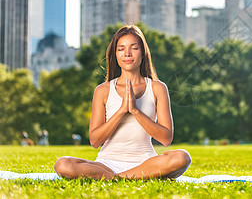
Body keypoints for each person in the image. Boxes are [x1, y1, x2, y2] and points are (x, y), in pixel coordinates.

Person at [54, 25, 191, 180]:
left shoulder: (158, 88)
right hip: (106, 165)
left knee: (182, 158)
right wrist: (122, 110)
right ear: (116, 54)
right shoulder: (103, 90)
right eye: (121, 49)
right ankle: (124, 177)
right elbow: (95, 140)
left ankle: (118, 178)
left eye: (134, 48)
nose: (127, 53)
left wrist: (135, 111)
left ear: (143, 53)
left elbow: (166, 138)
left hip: (145, 163)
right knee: (62, 164)